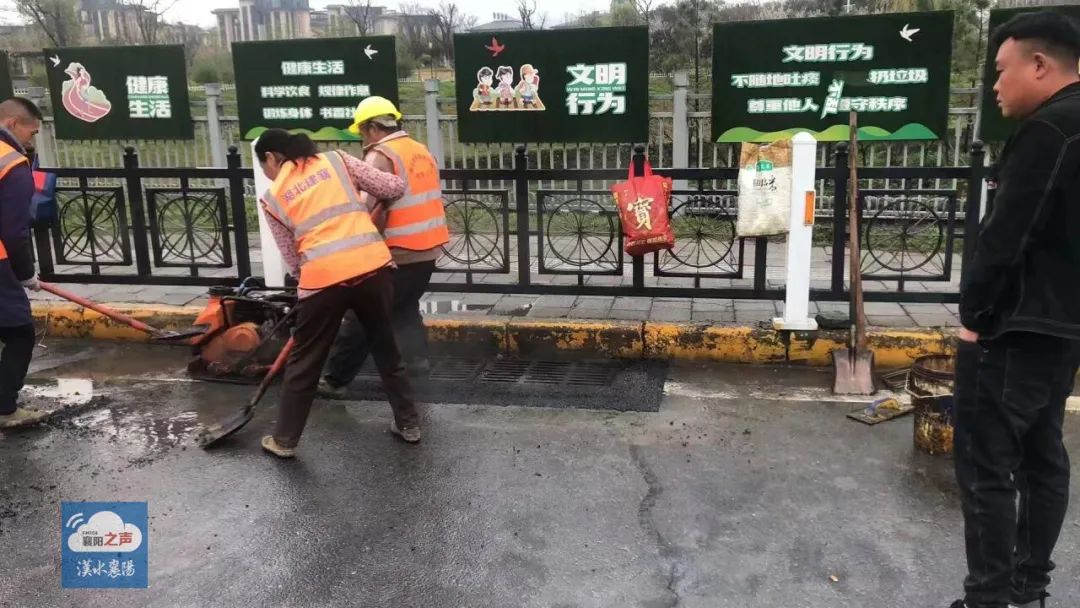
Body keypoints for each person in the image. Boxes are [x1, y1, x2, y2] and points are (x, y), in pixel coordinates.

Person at [951, 11, 1080, 608]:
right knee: (1042, 455)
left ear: (1040, 64)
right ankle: (1029, 587)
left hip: (1017, 326)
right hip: (1063, 329)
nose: (996, 85)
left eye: (1002, 71)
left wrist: (974, 317)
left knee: (986, 466)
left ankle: (989, 598)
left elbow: (1007, 235)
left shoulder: (1050, 129)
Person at [255, 128, 421, 458]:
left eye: (264, 167)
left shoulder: (273, 198)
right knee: (386, 349)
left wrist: (309, 288)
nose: (268, 174)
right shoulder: (337, 161)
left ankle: (284, 441)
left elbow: (292, 258)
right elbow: (394, 187)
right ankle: (409, 425)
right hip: (373, 268)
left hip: (323, 280)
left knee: (305, 361)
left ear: (272, 157)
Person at [319, 97, 449, 399]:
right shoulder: (420, 150)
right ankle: (417, 363)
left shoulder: (381, 155)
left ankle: (336, 380)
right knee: (404, 307)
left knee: (364, 315)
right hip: (427, 248)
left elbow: (363, 207)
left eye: (362, 133)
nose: (362, 140)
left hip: (396, 250)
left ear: (372, 128)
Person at [0, 98, 44, 429]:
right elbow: (14, 232)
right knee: (19, 333)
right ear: (13, 124)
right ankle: (5, 409)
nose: (31, 141)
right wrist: (26, 274)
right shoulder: (12, 163)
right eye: (32, 132)